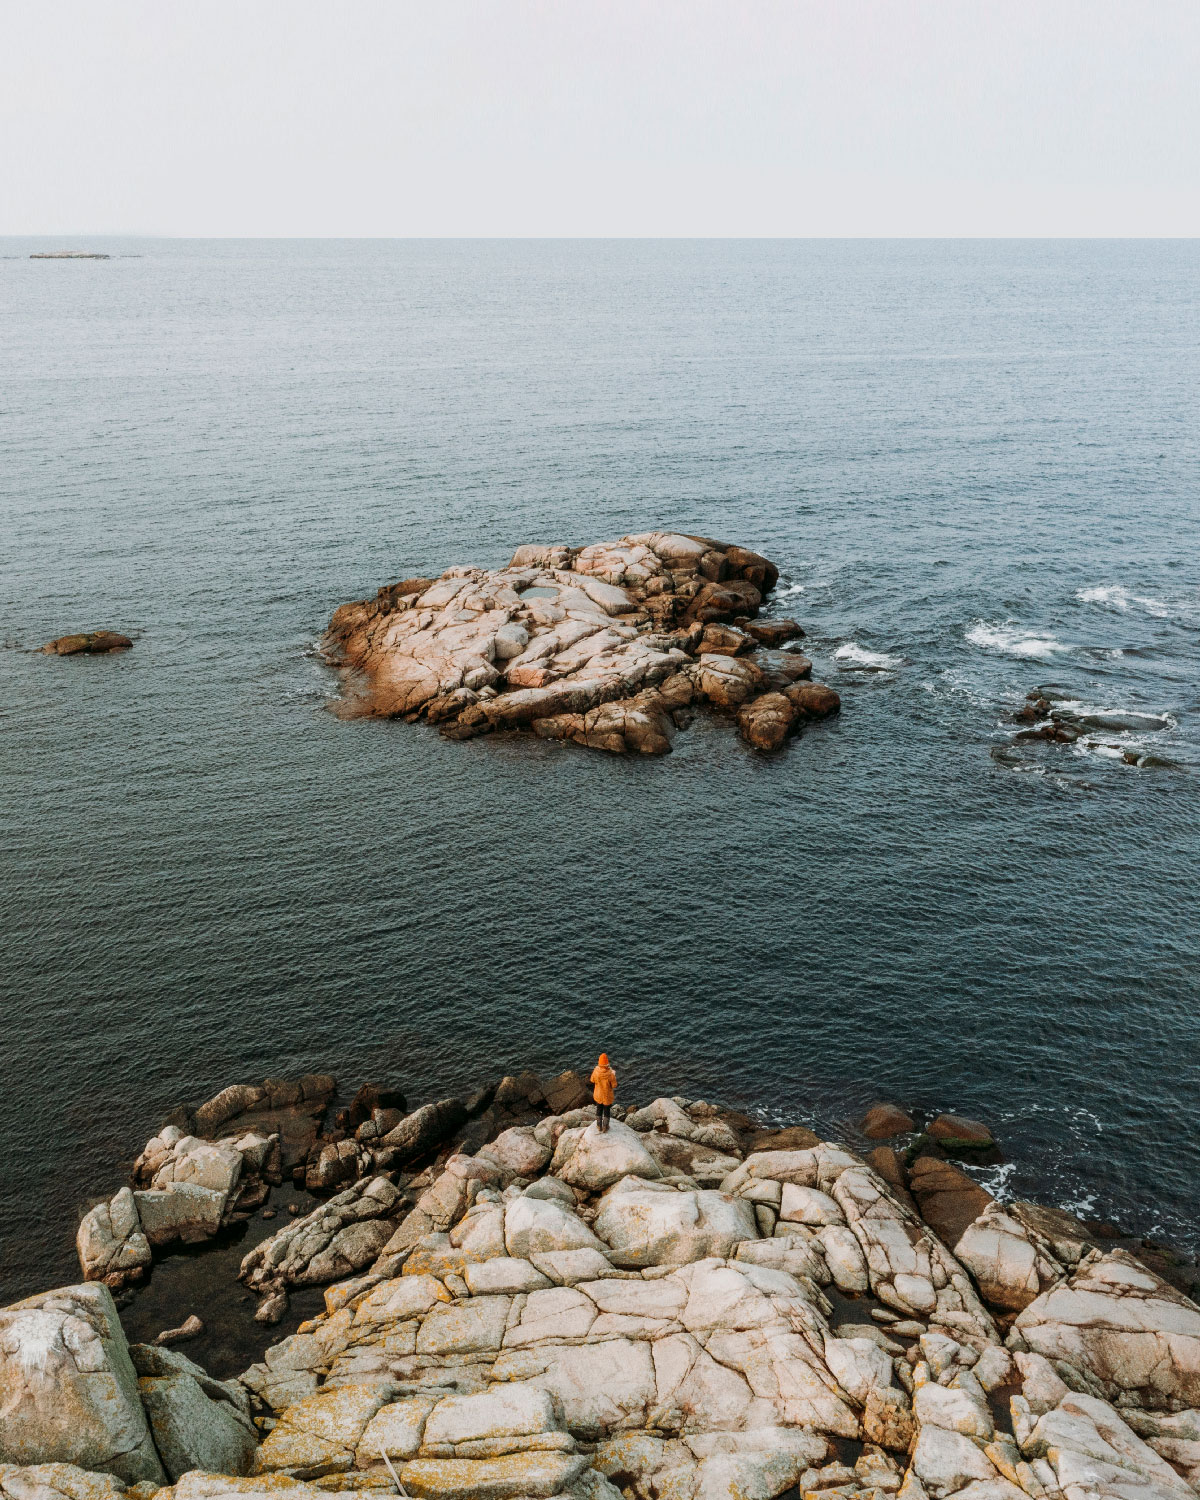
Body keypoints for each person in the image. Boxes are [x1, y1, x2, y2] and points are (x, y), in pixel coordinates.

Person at [590, 1052, 616, 1132]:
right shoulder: (610, 1074)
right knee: (607, 1111)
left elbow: (592, 1080)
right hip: (607, 1096)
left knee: (599, 1109)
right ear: (607, 1063)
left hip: (598, 1095)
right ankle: (605, 1127)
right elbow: (614, 1085)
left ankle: (598, 1126)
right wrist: (614, 1075)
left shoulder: (596, 1071)